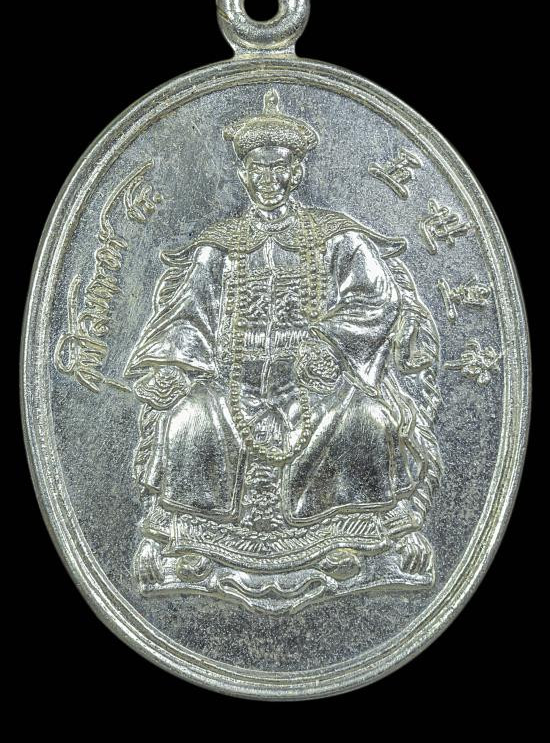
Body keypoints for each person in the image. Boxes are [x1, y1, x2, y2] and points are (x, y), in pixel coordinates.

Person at [125, 89, 443, 590]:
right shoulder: (218, 248)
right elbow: (188, 315)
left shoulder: (338, 238)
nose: (268, 180)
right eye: (257, 169)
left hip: (318, 383)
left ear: (297, 171)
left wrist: (330, 340)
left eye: (278, 169)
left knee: (363, 417)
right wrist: (171, 368)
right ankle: (195, 543)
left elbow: (379, 300)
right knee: (190, 418)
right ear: (243, 173)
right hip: (232, 382)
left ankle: (345, 538)